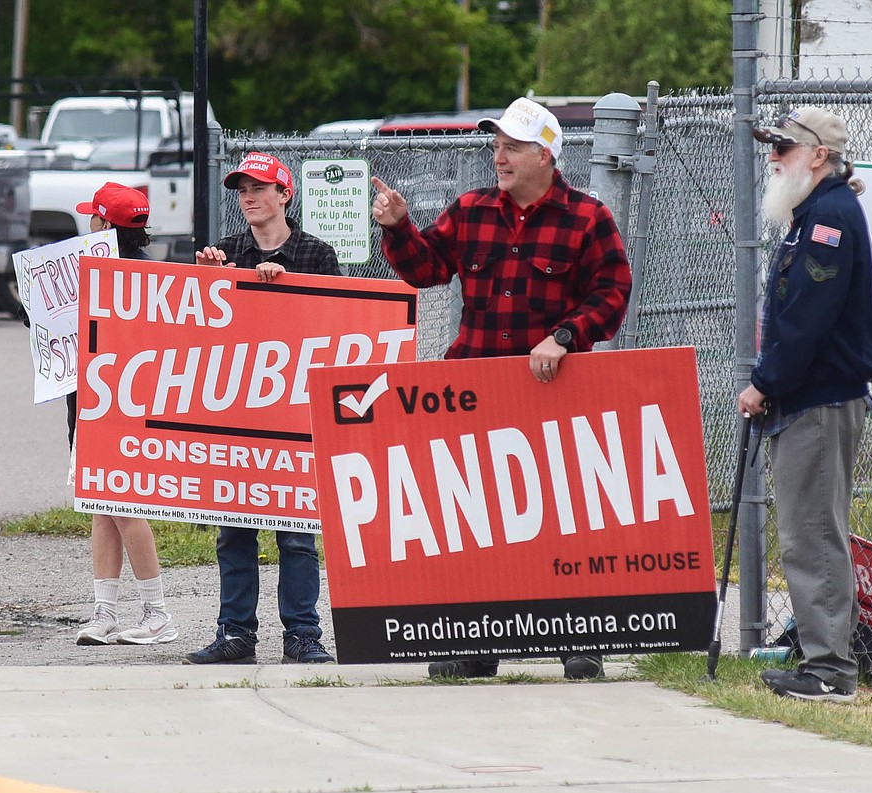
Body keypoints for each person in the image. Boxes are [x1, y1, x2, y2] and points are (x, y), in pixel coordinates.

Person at [371, 97, 633, 680]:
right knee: (477, 518)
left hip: (553, 392)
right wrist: (397, 227)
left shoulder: (588, 218)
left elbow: (613, 291)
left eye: (511, 147)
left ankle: (578, 638)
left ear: (545, 154)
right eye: (496, 147)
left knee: (561, 514)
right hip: (477, 385)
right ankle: (474, 641)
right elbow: (427, 269)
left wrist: (566, 336)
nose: (499, 157)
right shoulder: (469, 210)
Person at [738, 107, 872, 702]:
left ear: (818, 156)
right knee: (805, 530)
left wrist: (765, 381)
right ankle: (821, 655)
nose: (772, 155)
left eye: (783, 146)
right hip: (810, 397)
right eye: (772, 145)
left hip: (820, 399)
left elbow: (807, 319)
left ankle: (830, 672)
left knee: (812, 533)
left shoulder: (828, 216)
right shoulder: (814, 213)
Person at [184, 152, 341, 665]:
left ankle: (303, 634)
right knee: (234, 533)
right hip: (238, 413)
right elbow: (197, 332)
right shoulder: (225, 252)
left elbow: (338, 330)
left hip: (296, 417)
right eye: (242, 189)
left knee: (297, 536)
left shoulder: (316, 253)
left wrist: (288, 285)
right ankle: (235, 635)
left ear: (284, 195)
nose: (249, 197)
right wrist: (210, 279)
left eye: (260, 187)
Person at [72, 182, 178, 646]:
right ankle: (106, 612)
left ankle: (158, 614)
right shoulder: (147, 275)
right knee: (102, 507)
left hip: (117, 410)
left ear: (103, 223)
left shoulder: (107, 274)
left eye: (92, 217)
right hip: (106, 406)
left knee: (123, 505)